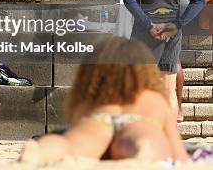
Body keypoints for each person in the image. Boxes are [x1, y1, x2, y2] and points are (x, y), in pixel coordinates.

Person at [19, 37, 189, 165]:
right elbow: (177, 152)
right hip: (139, 122)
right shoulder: (154, 99)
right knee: (146, 139)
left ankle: (39, 151)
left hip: (99, 120)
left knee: (72, 144)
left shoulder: (91, 97)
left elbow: (76, 123)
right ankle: (142, 149)